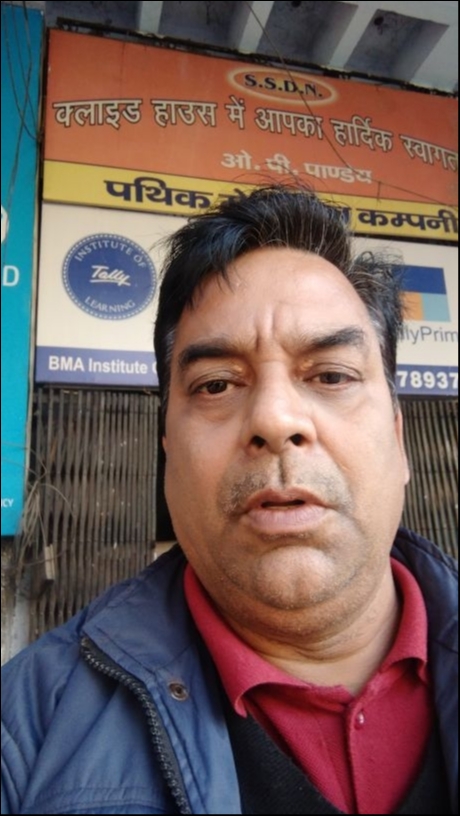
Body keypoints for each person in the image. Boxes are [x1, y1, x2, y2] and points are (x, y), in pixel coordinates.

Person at [1, 185, 457, 816]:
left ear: (400, 441)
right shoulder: (26, 729)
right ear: (167, 449)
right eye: (216, 385)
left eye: (331, 375)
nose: (274, 419)